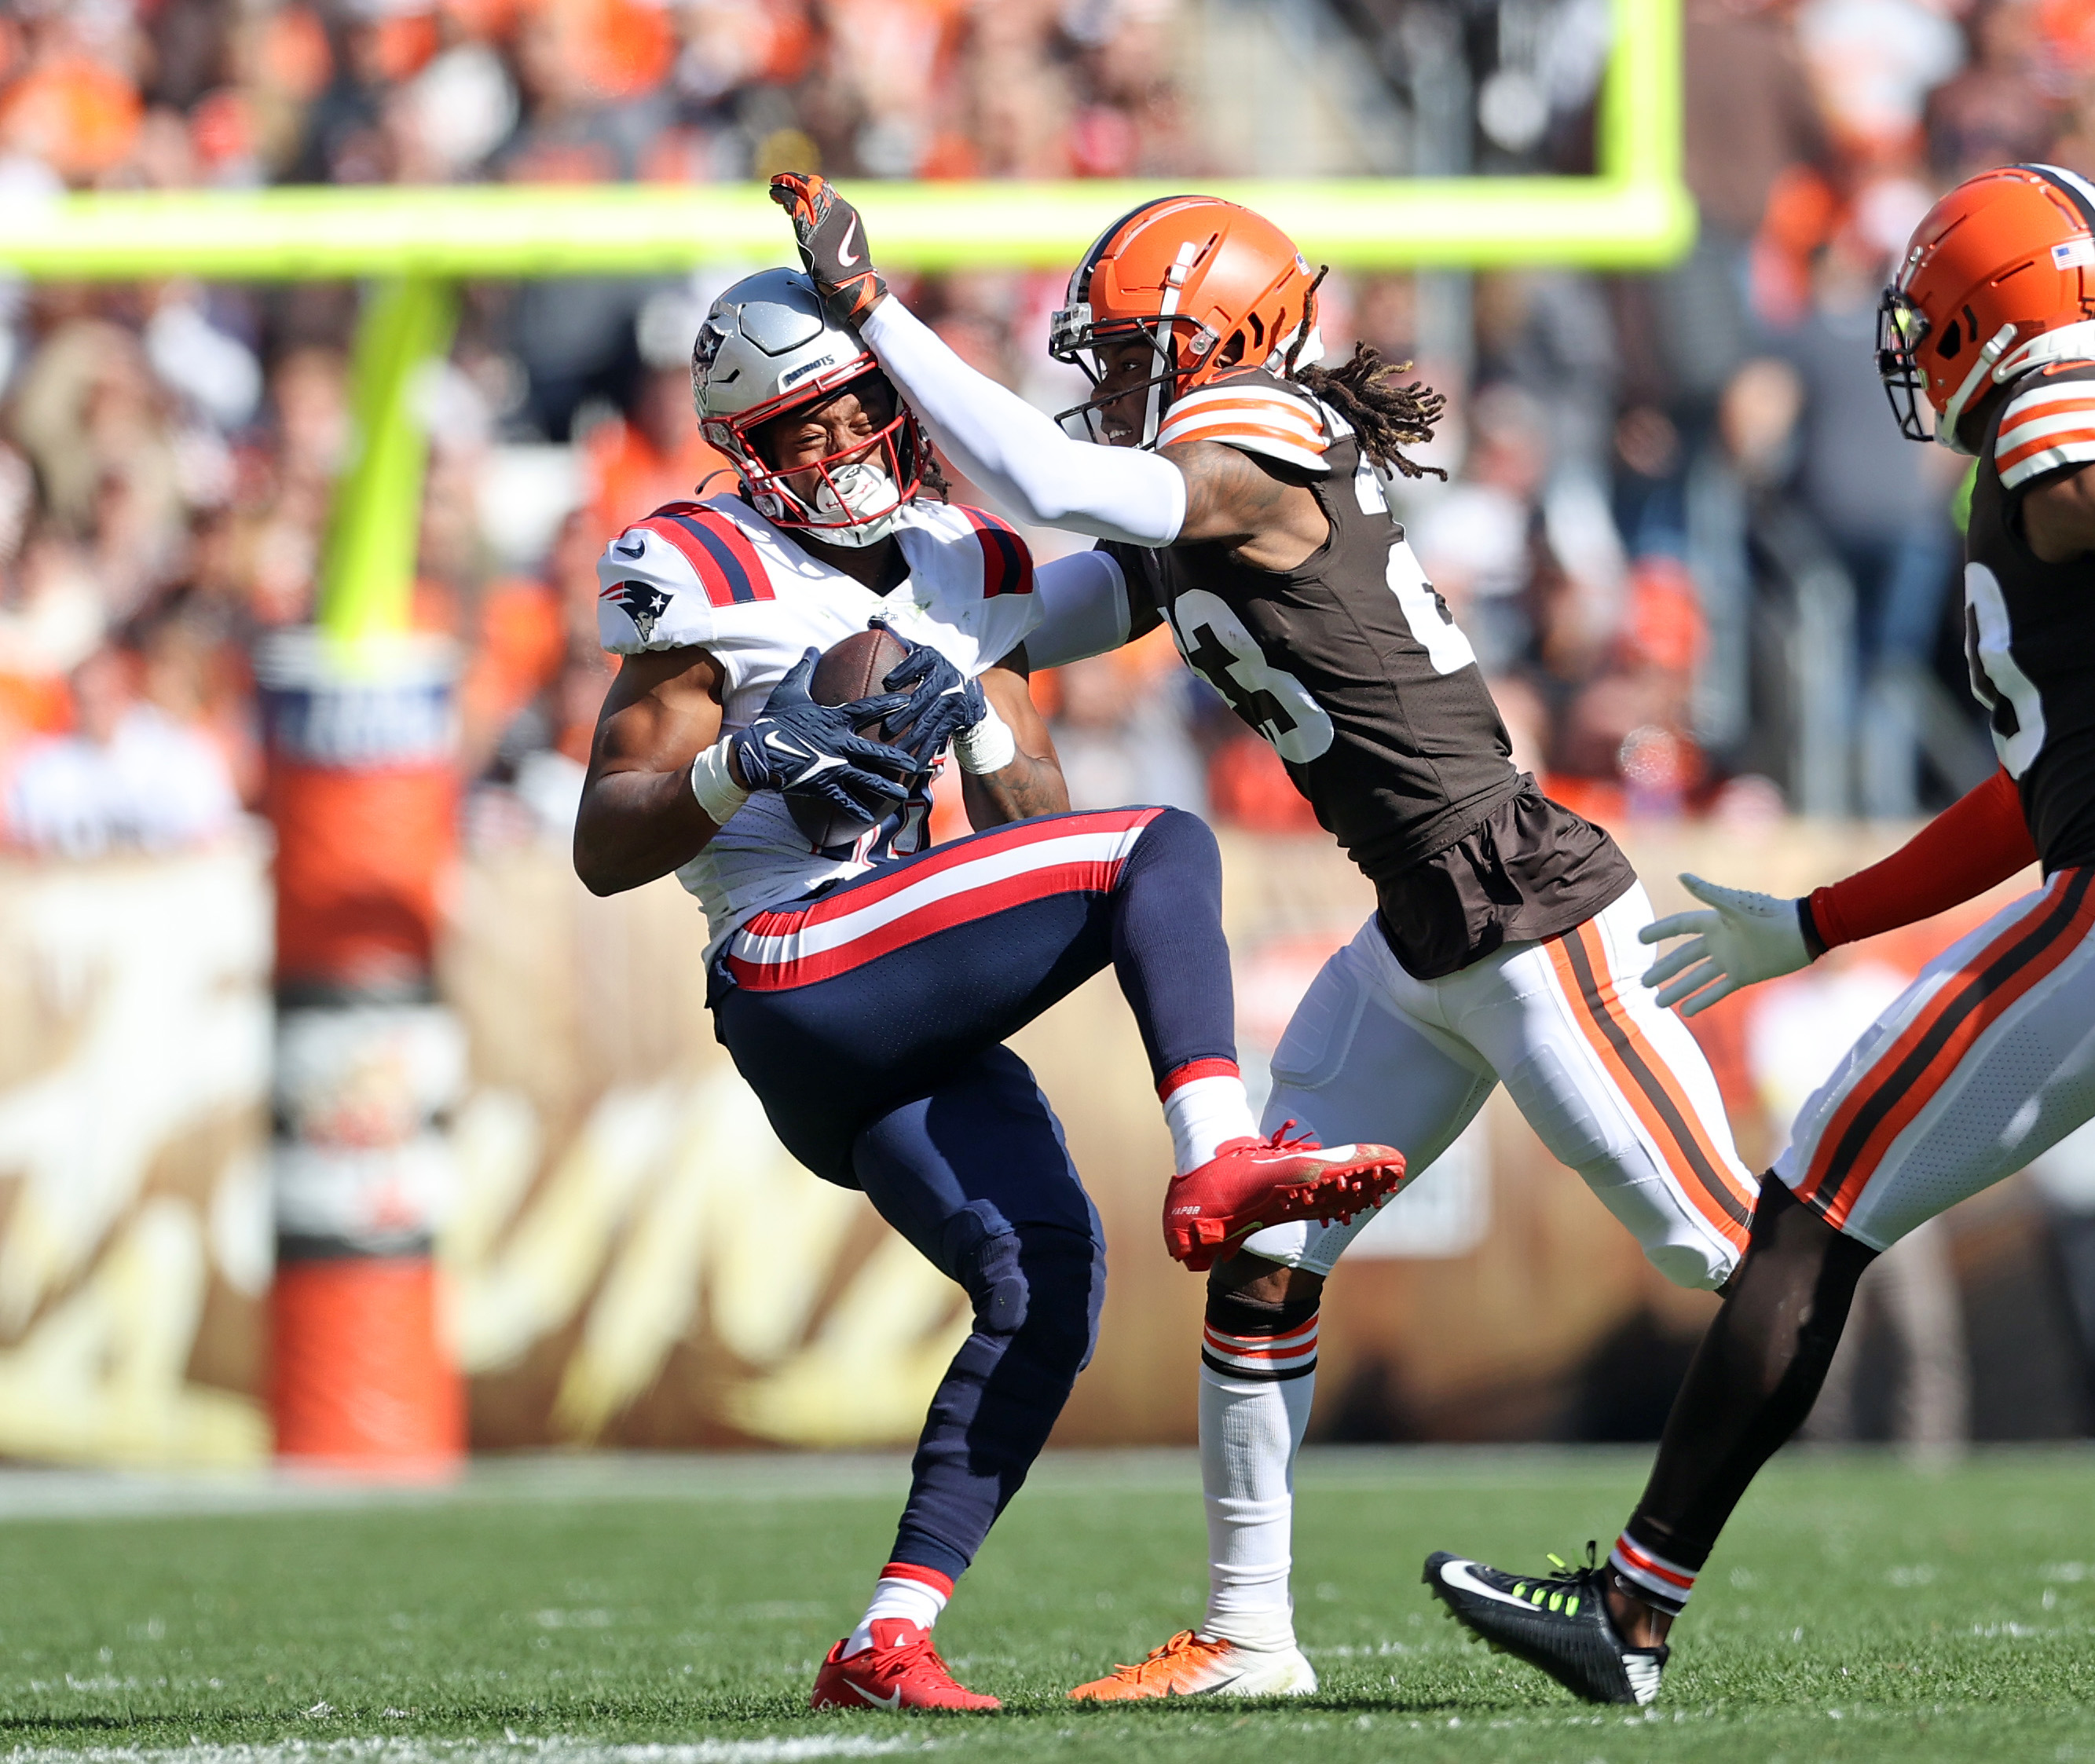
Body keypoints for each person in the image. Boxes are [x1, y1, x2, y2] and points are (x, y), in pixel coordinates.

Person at [768, 174, 1764, 1699]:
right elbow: (1047, 601)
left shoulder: (1258, 440)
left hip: (1525, 914)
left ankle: (1640, 1601)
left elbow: (1047, 484)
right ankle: (1246, 1632)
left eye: (1119, 352)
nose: (1099, 382)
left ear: (1216, 340)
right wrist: (854, 573)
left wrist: (874, 312)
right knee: (1262, 1257)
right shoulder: (1208, 479)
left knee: (1747, 1257)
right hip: (1415, 937)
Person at [573, 267, 1405, 1712]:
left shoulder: (966, 557)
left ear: (889, 402)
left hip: (892, 988)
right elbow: (603, 841)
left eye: (844, 416)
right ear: (744, 455)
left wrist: (980, 703)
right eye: (792, 436)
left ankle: (883, 1637)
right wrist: (743, 762)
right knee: (1165, 844)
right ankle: (1220, 1159)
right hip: (791, 959)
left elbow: (1031, 824)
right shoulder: (699, 558)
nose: (830, 454)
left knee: (1047, 1278)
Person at [1423, 162, 2095, 1707]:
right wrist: (1814, 917)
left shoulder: (2058, 411)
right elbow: (2026, 797)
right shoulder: (2016, 469)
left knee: (1816, 1196)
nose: (1914, 346)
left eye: (1935, 312)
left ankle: (1632, 1610)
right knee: (1817, 1196)